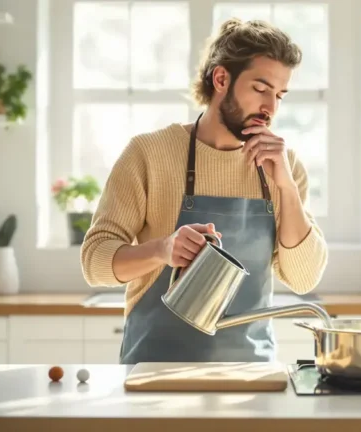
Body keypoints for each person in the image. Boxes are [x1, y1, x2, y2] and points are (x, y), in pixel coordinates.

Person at [80, 18, 328, 364]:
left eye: (279, 95)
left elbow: (303, 278)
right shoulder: (149, 153)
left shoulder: (285, 167)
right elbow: (94, 262)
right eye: (260, 89)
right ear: (222, 79)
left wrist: (286, 187)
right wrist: (162, 249)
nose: (271, 108)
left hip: (250, 375)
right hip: (155, 370)